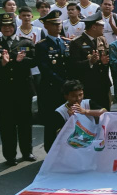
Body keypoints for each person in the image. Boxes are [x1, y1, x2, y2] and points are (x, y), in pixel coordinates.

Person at [0, 13, 37, 166]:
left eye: (10, 25)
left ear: (14, 27)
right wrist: (1, 63)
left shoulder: (25, 43)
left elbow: (34, 62)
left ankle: (27, 152)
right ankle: (10, 155)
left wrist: (22, 61)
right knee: (7, 124)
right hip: (3, 91)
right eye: (4, 26)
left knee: (25, 122)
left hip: (23, 89)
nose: (7, 28)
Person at [35, 10, 70, 152]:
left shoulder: (65, 42)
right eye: (54, 24)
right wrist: (63, 83)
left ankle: (65, 151)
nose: (58, 27)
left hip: (66, 90)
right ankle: (50, 151)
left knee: (66, 123)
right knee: (51, 122)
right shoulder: (41, 45)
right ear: (46, 26)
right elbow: (46, 69)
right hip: (51, 89)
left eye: (59, 23)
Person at [68, 12, 112, 111]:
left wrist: (105, 63)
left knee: (104, 113)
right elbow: (73, 66)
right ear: (94, 27)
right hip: (88, 86)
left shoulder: (102, 40)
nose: (103, 28)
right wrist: (90, 62)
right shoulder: (77, 43)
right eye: (101, 26)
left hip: (103, 84)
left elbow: (105, 60)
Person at [45, 80, 107, 148]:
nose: (78, 98)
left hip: (91, 138)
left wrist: (85, 111)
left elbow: (104, 112)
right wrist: (70, 119)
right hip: (72, 144)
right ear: (66, 96)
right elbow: (59, 135)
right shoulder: (60, 112)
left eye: (80, 94)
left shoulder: (87, 103)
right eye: (74, 96)